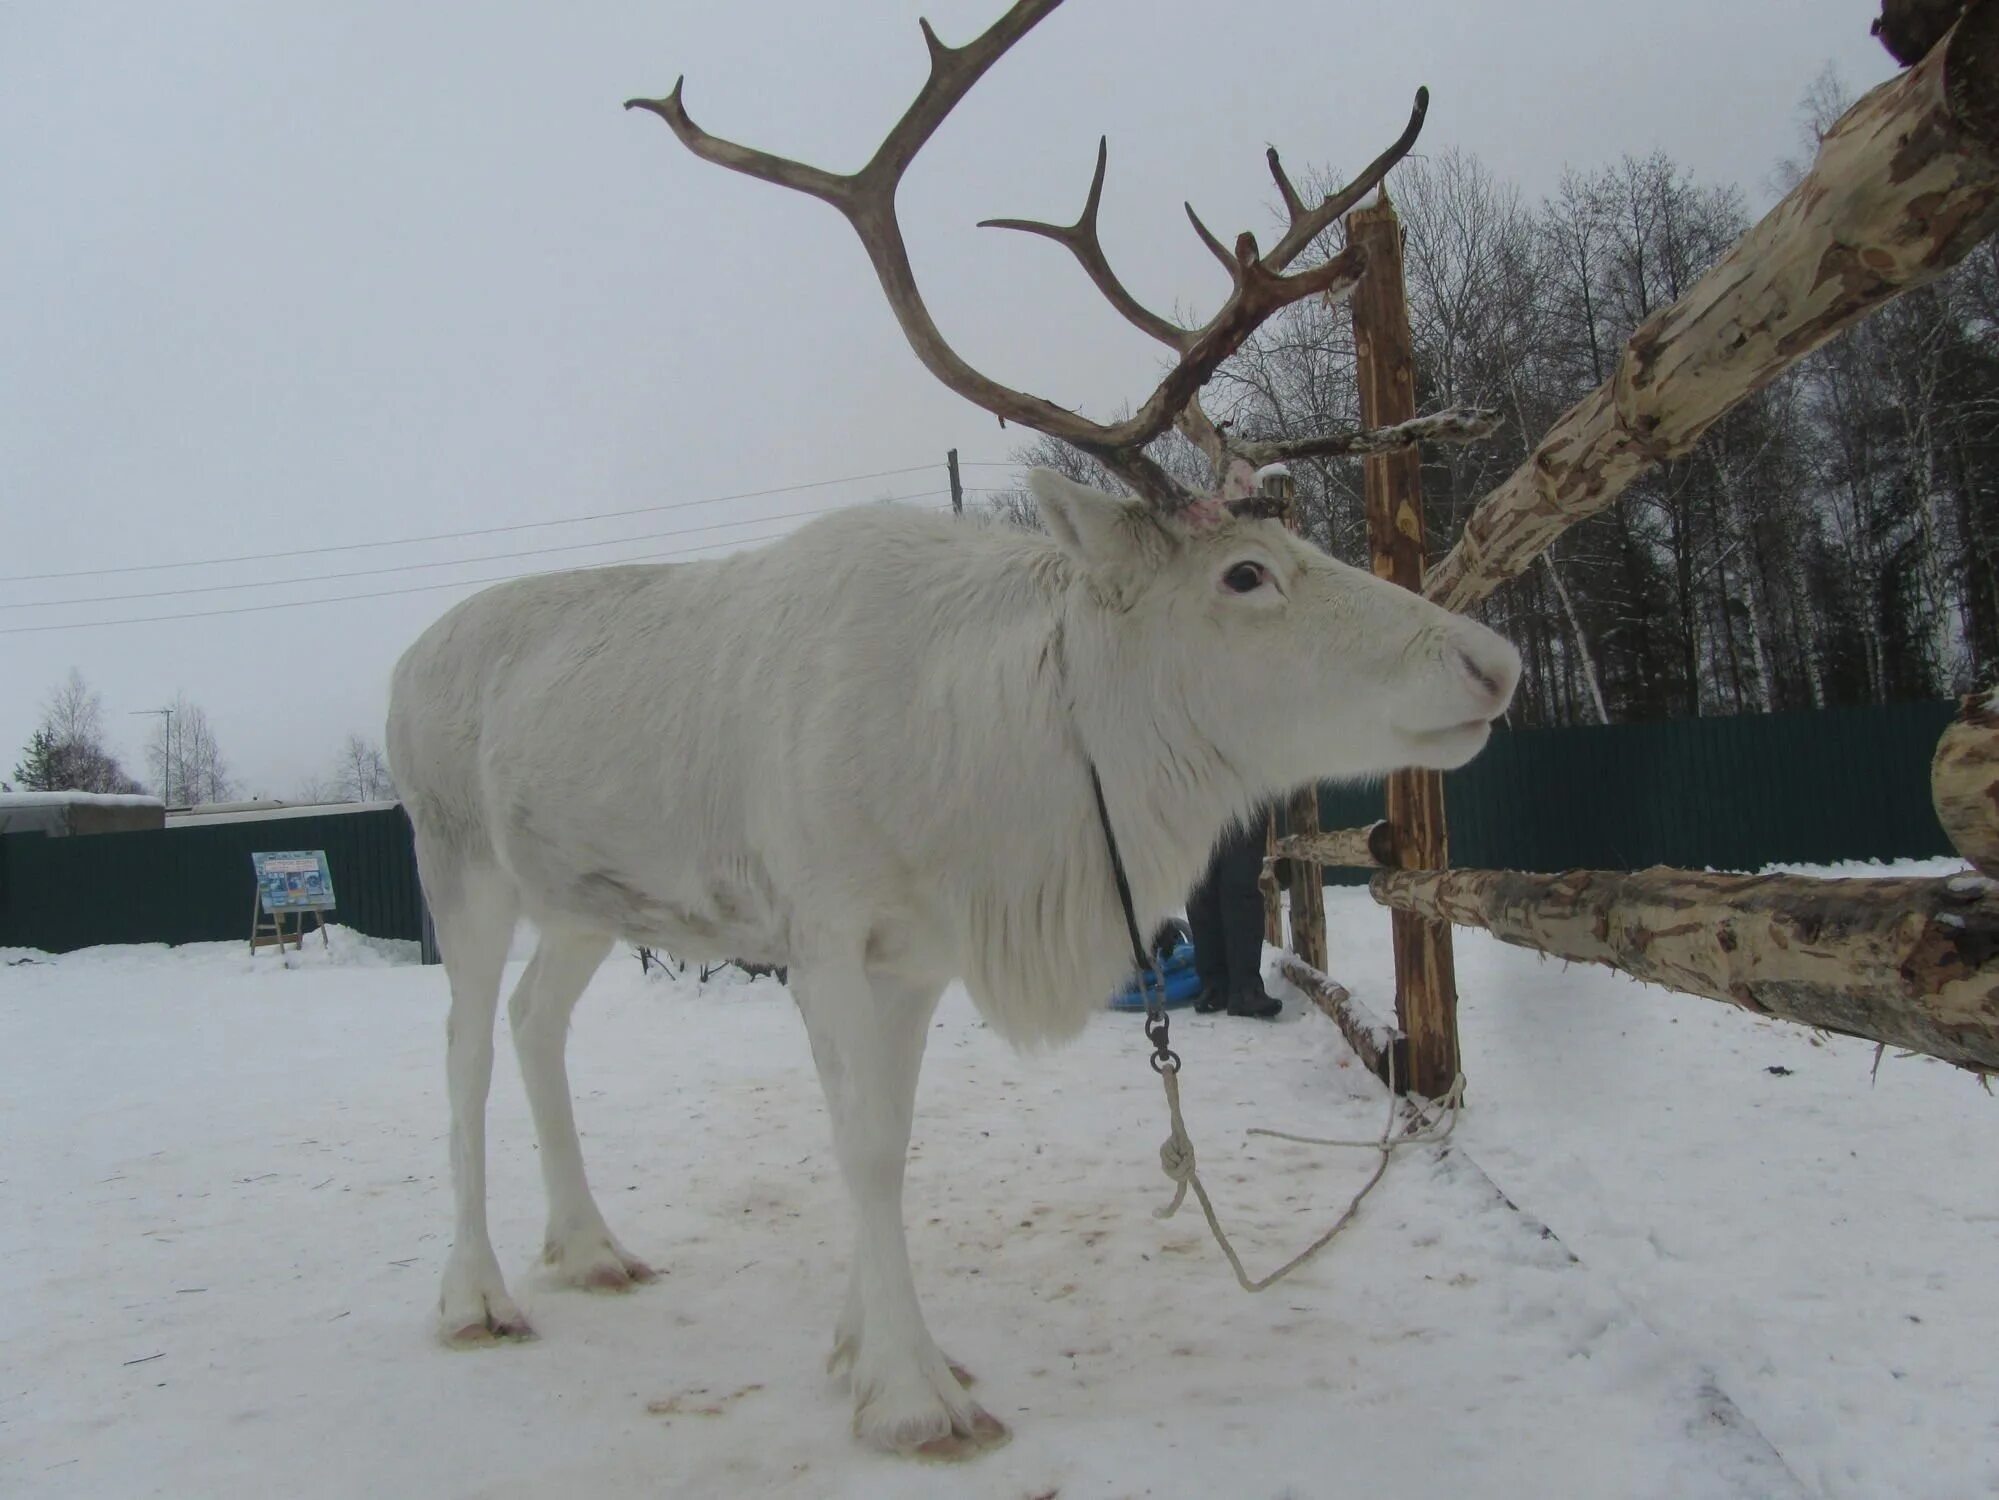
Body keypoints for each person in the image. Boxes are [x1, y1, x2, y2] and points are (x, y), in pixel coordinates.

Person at [1185, 812, 1282, 1019]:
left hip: (1244, 791)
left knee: (1241, 883)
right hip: (1194, 797)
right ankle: (1214, 985)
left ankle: (1246, 988)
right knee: (1200, 887)